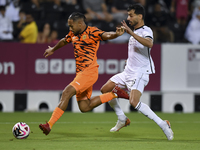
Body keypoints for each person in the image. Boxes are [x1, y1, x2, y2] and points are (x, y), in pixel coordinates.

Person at [39, 12, 129, 135]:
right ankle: (114, 94)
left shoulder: (92, 32)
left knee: (67, 92)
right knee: (84, 107)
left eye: (71, 26)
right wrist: (53, 50)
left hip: (89, 72)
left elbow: (105, 35)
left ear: (80, 24)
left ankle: (49, 125)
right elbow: (64, 41)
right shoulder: (73, 34)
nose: (70, 29)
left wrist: (116, 34)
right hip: (81, 74)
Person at [101, 4, 174, 140]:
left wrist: (132, 33)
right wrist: (128, 61)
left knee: (134, 102)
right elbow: (137, 52)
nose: (128, 18)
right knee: (106, 89)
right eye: (128, 15)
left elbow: (149, 44)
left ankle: (163, 124)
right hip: (128, 71)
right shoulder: (132, 34)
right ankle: (122, 118)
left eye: (131, 15)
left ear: (140, 16)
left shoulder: (146, 30)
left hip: (140, 72)